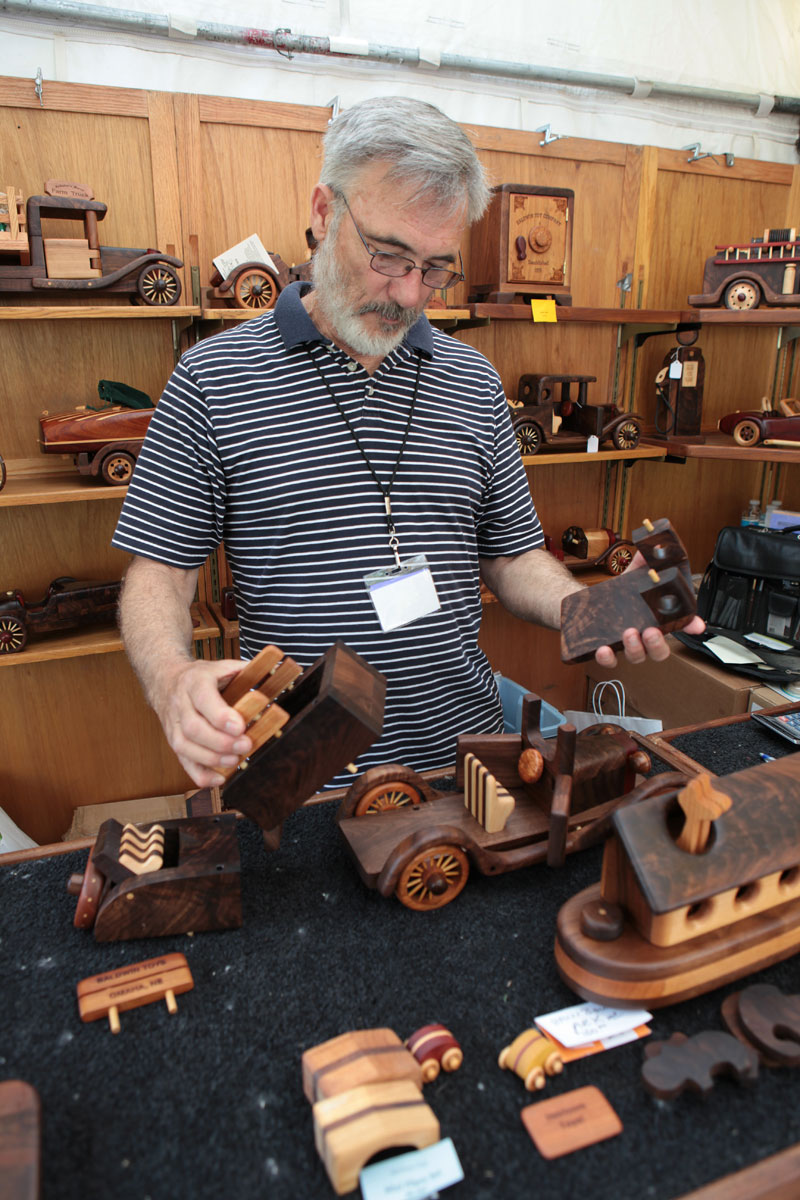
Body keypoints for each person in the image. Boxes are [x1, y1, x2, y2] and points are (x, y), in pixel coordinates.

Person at [112, 95, 704, 791]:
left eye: (436, 268)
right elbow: (160, 572)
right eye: (389, 256)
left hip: (473, 761)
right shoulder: (215, 378)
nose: (409, 293)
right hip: (311, 779)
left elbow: (512, 556)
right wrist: (171, 677)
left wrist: (577, 605)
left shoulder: (473, 381)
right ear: (324, 212)